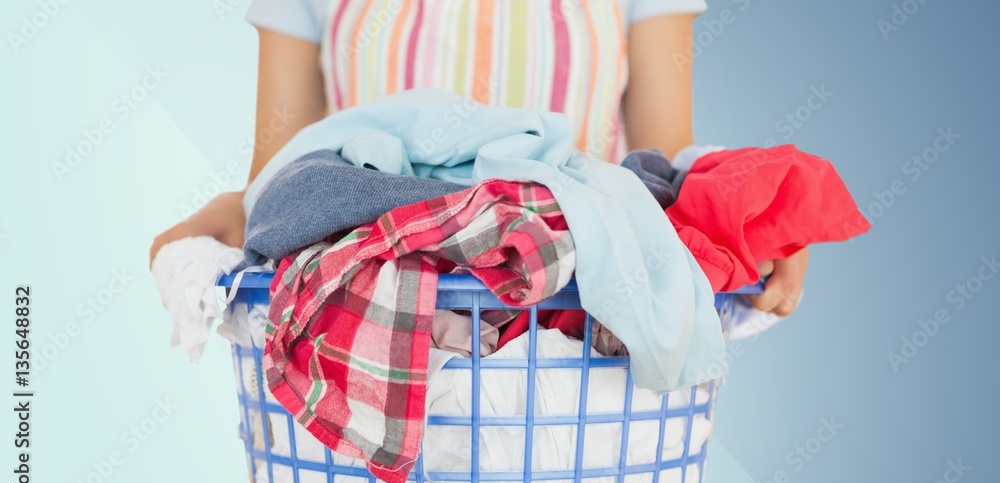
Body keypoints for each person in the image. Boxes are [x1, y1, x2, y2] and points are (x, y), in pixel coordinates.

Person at [149, 0, 806, 316]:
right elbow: (282, 187)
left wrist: (750, 209)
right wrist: (215, 224)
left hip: (578, 344)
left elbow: (663, 175)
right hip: (362, 313)